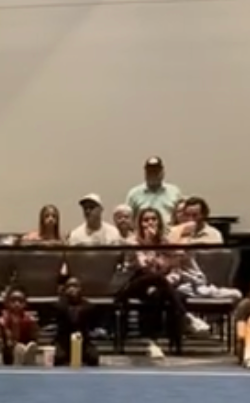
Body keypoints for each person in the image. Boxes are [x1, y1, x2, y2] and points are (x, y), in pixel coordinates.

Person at [116, 207, 183, 359]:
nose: (150, 223)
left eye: (154, 219)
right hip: (134, 284)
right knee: (155, 279)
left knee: (155, 293)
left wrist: (169, 280)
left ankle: (152, 343)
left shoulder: (167, 243)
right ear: (140, 224)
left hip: (157, 287)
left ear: (159, 222)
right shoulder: (133, 242)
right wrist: (149, 243)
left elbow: (175, 269)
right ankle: (185, 314)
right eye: (146, 220)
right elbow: (143, 266)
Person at [54, 276, 101, 366]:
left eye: (75, 286)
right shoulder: (59, 306)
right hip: (65, 343)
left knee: (93, 356)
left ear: (80, 288)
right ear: (65, 289)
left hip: (83, 343)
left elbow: (93, 326)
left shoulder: (89, 306)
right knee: (58, 357)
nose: (72, 289)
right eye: (69, 286)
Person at [125, 155, 182, 224]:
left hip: (170, 231)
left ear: (162, 172)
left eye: (156, 172)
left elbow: (181, 216)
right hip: (143, 232)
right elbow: (127, 218)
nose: (153, 175)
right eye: (150, 172)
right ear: (145, 173)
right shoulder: (134, 194)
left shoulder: (174, 192)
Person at [0, 287, 41, 365]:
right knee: (17, 348)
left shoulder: (29, 319)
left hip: (25, 346)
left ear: (25, 303)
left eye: (20, 301)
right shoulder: (3, 320)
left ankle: (27, 358)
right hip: (10, 354)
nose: (17, 304)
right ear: (7, 303)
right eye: (13, 301)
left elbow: (34, 339)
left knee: (30, 346)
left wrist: (34, 328)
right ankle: (20, 358)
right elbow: (6, 342)